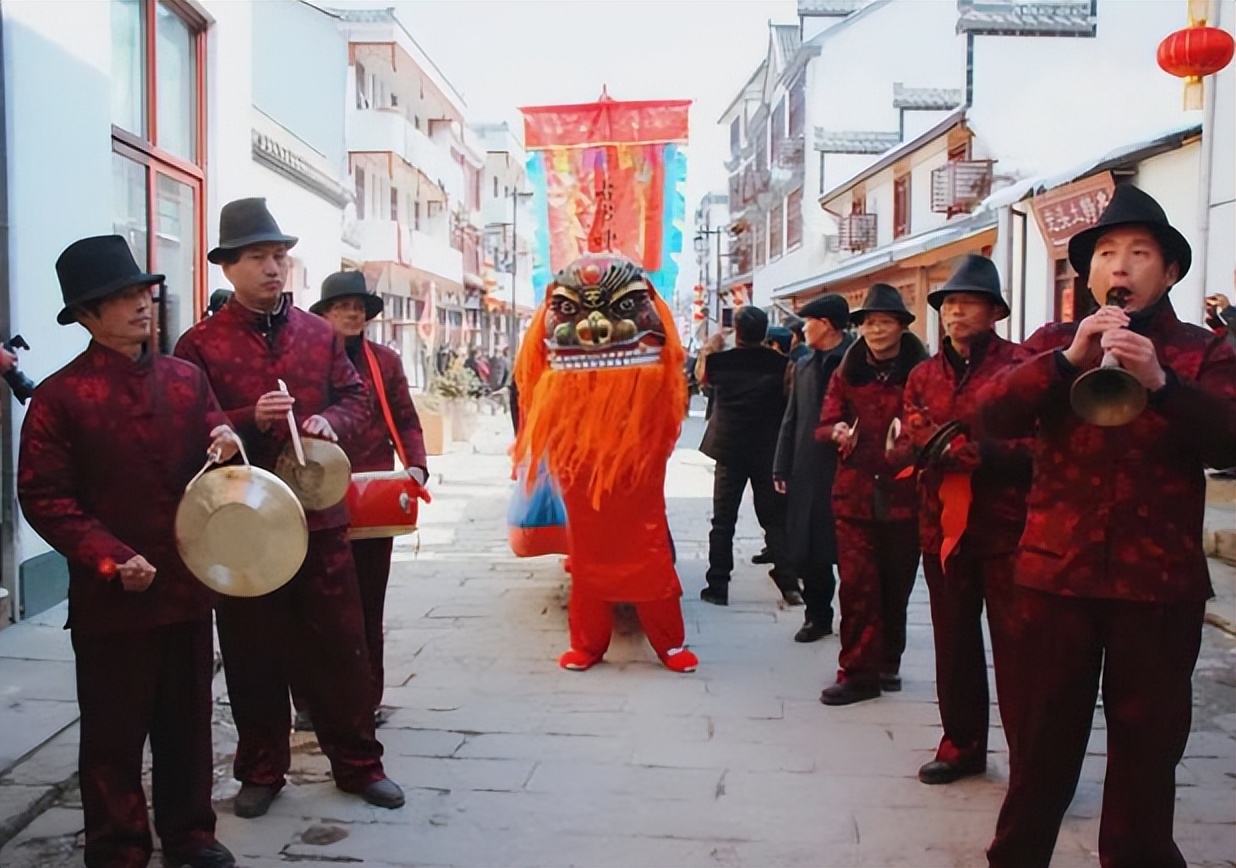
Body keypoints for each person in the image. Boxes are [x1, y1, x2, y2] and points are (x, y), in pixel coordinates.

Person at [981, 185, 1236, 868]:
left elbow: (1231, 444)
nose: (1120, 267)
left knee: (1147, 755)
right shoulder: (1052, 344)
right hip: (1053, 579)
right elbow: (992, 418)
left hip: (1157, 588)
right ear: (1089, 273)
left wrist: (1165, 386)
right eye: (1107, 254)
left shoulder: (1203, 351)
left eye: (1139, 253)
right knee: (1039, 748)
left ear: (1170, 271)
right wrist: (1068, 363)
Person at [174, 198, 404, 817]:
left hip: (321, 516)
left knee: (341, 645)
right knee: (253, 650)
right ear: (229, 268)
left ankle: (359, 763)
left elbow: (358, 400)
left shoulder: (318, 334)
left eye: (279, 256)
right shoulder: (200, 345)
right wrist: (248, 419)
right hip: (245, 525)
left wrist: (329, 420)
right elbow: (191, 419)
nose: (273, 268)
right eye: (258, 258)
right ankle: (261, 769)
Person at [18, 235, 239, 868]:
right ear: (86, 317)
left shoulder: (186, 379)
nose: (141, 305)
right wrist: (110, 557)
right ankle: (117, 846)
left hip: (189, 586)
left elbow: (217, 449)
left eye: (142, 291)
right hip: (113, 597)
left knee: (188, 725)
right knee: (114, 735)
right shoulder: (60, 398)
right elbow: (44, 496)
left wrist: (225, 441)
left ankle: (191, 834)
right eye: (120, 298)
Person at [513, 253, 697, 674]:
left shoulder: (651, 369)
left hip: (638, 459)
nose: (592, 328)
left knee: (646, 542)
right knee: (588, 547)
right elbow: (530, 381)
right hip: (577, 458)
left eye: (623, 308)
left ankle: (668, 642)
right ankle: (589, 641)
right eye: (570, 309)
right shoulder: (555, 373)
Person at [890, 255, 1031, 784]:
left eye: (965, 303)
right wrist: (914, 447)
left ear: (993, 311)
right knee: (953, 644)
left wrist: (978, 453)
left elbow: (1041, 443)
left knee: (1018, 651)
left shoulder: (1020, 366)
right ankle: (962, 745)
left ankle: (1031, 765)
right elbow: (906, 437)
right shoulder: (924, 373)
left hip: (1005, 529)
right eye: (947, 305)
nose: (954, 314)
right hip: (940, 528)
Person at [309, 270, 428, 726]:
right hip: (318, 494)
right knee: (317, 607)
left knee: (366, 604)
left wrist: (415, 464)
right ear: (324, 314)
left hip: (373, 495)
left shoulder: (386, 361)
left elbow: (407, 419)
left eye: (358, 307)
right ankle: (313, 701)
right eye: (342, 306)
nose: (352, 313)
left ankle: (366, 700)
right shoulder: (307, 362)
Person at [817, 284, 926, 705]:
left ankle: (888, 661)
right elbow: (825, 421)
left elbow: (934, 421)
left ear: (901, 326)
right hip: (854, 495)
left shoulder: (924, 372)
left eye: (884, 322)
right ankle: (857, 672)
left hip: (906, 494)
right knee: (858, 585)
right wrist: (837, 431)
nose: (875, 330)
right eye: (868, 322)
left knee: (896, 585)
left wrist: (909, 439)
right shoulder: (846, 372)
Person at [698, 306, 799, 606]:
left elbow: (702, 381)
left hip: (728, 448)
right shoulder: (782, 364)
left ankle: (718, 584)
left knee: (723, 520)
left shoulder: (719, 362)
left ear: (737, 331)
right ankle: (788, 581)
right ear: (765, 331)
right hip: (768, 449)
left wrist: (714, 344)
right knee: (775, 519)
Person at [773, 294, 854, 642]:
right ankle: (817, 615)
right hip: (806, 467)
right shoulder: (803, 365)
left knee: (848, 550)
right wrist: (781, 466)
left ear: (827, 324)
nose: (803, 329)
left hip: (844, 465)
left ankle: (857, 622)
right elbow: (791, 419)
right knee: (807, 549)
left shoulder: (855, 362)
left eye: (809, 322)